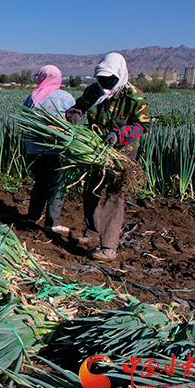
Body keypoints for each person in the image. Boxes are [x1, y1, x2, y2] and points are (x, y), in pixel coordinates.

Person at [66, 52, 150, 261]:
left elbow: (142, 125)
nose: (106, 83)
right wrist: (74, 114)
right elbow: (77, 107)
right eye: (102, 78)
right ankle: (93, 232)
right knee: (90, 189)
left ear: (119, 75)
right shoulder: (94, 91)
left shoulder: (134, 96)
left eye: (110, 79)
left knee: (114, 194)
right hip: (95, 149)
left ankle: (109, 247)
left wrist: (119, 135)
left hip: (122, 152)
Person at [23, 65, 75, 236]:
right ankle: (52, 223)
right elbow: (74, 122)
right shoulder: (66, 98)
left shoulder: (32, 97)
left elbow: (24, 120)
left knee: (40, 182)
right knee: (57, 184)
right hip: (57, 149)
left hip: (34, 149)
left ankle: (32, 217)